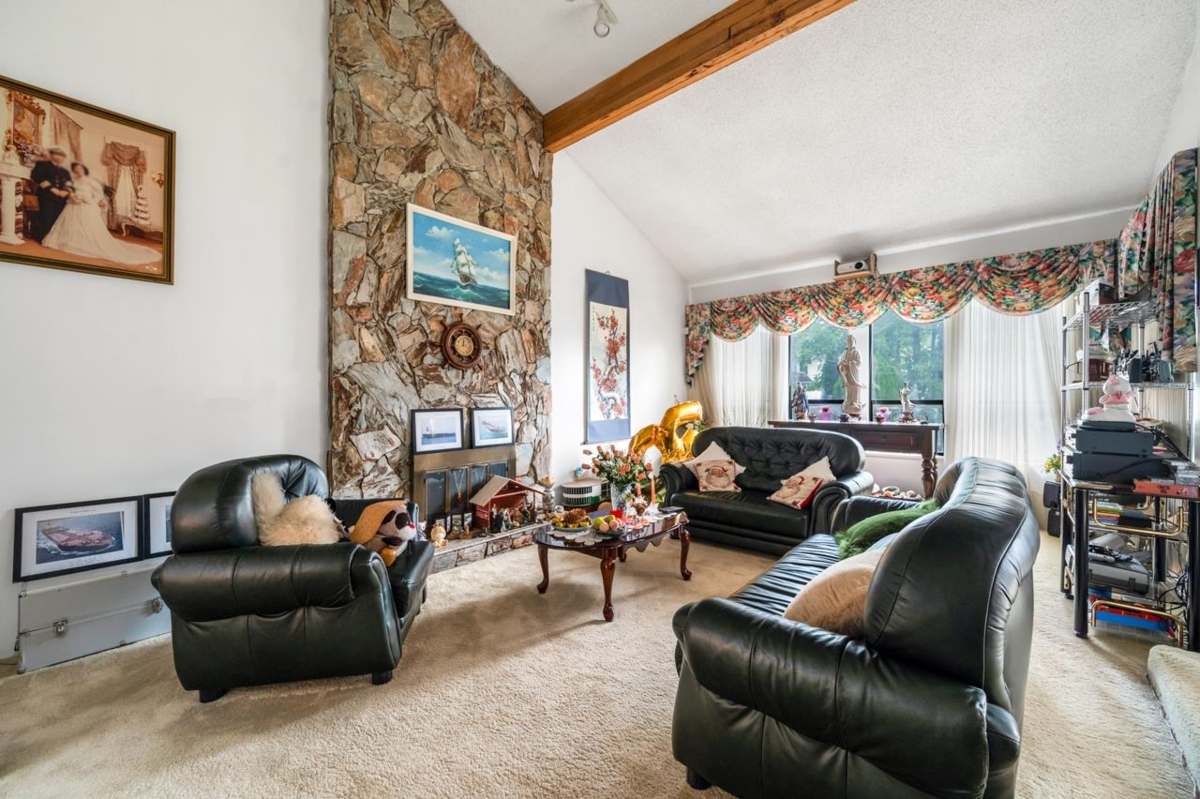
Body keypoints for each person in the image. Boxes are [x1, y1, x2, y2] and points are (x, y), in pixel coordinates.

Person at [42, 163, 159, 265]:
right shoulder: (72, 181)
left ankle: (86, 242)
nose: (78, 171)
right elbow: (69, 193)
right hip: (73, 206)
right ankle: (70, 242)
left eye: (80, 168)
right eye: (76, 169)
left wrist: (87, 199)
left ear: (84, 170)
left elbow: (98, 194)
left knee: (88, 227)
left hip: (86, 206)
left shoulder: (90, 181)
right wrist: (73, 197)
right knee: (71, 225)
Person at [30, 147, 71, 242]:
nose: (59, 157)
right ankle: (41, 237)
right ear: (52, 155)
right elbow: (37, 176)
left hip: (61, 198)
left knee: (57, 217)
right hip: (47, 195)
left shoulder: (65, 171)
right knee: (46, 216)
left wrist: (66, 191)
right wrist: (51, 189)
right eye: (57, 154)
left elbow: (70, 183)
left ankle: (52, 239)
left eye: (62, 156)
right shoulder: (43, 164)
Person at [837, 334, 867, 418]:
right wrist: (842, 365)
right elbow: (840, 363)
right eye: (848, 341)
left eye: (851, 341)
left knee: (855, 391)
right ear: (846, 343)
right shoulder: (845, 353)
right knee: (848, 391)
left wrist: (850, 363)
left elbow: (859, 363)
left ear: (854, 342)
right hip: (847, 376)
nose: (850, 343)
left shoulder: (857, 352)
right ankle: (848, 403)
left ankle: (855, 404)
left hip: (854, 376)